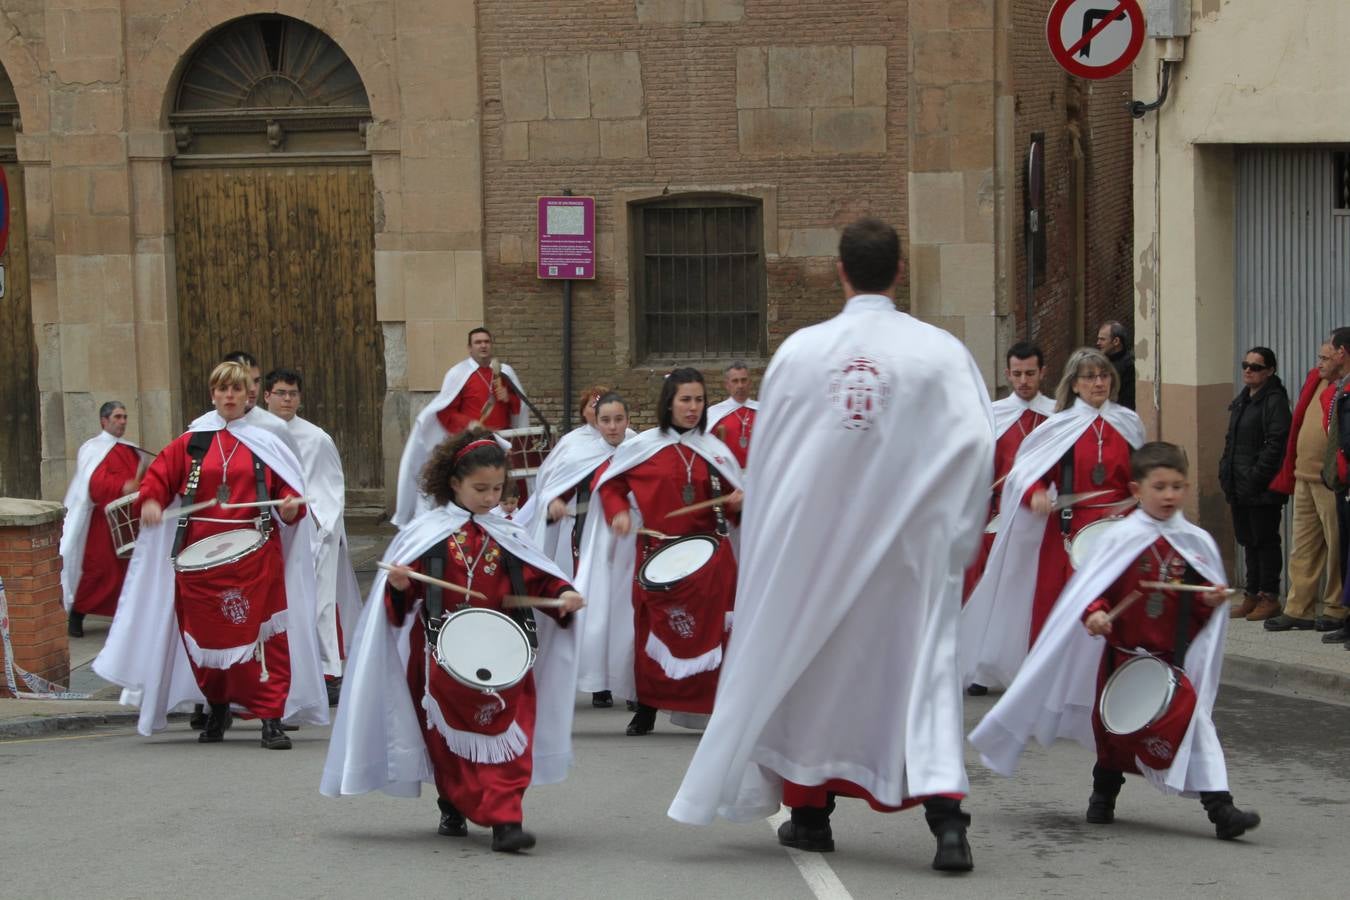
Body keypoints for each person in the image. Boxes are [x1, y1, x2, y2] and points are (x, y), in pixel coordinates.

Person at [667, 218, 990, 872]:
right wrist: (950, 532)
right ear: (899, 271)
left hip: (817, 554)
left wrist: (772, 551)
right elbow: (978, 444)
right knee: (917, 680)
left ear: (838, 272)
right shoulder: (940, 353)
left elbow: (773, 463)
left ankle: (811, 816)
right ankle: (947, 824)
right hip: (905, 559)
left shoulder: (800, 353)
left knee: (810, 674)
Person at [969, 442, 1261, 842]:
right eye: (1159, 487)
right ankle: (1103, 793)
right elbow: (1093, 587)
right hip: (1123, 655)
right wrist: (1095, 612)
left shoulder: (1195, 542)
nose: (1169, 495)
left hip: (1172, 660)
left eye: (1177, 486)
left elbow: (1200, 605)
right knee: (1115, 736)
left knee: (1197, 727)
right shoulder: (1120, 537)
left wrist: (1209, 601)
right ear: (1138, 490)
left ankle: (1221, 810)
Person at [320, 429, 584, 853]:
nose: (490, 497)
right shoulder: (429, 533)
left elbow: (540, 577)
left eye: (498, 488)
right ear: (454, 484)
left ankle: (506, 819)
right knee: (448, 744)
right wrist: (401, 586)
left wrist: (562, 596)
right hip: (441, 656)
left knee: (510, 735)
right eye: (480, 488)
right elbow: (399, 607)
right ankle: (453, 800)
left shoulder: (509, 534)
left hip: (506, 655)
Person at [93, 362, 328, 746]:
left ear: (248, 395)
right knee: (205, 640)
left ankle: (270, 716)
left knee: (266, 640)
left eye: (236, 389)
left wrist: (290, 507)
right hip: (198, 560)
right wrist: (151, 503)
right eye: (222, 390)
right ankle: (218, 706)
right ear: (213, 394)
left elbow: (290, 494)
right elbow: (158, 481)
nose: (230, 396)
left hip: (255, 556)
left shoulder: (266, 440)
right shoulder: (192, 442)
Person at [960, 347, 1145, 691]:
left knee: (1118, 607)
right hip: (1069, 533)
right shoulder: (1060, 427)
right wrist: (1036, 494)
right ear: (1075, 385)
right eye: (1089, 377)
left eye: (1104, 375)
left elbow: (1142, 474)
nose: (1098, 383)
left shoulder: (1128, 423)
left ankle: (1110, 679)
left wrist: (1142, 495)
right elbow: (1027, 476)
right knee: (1058, 611)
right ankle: (1055, 684)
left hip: (1119, 531)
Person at [574, 368, 743, 737]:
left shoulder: (714, 448)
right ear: (669, 402)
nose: (693, 407)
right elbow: (609, 482)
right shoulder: (642, 446)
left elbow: (733, 506)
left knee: (716, 634)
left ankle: (711, 711)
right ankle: (647, 707)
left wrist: (737, 501)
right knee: (651, 634)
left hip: (710, 559)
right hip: (657, 553)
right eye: (685, 399)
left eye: (699, 399)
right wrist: (618, 510)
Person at [515, 390, 634, 708]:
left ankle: (634, 684)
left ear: (627, 419)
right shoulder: (578, 447)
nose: (611, 426)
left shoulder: (638, 445)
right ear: (592, 417)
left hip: (631, 538)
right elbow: (557, 486)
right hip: (589, 535)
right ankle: (599, 683)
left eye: (617, 419)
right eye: (604, 419)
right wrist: (554, 502)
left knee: (628, 611)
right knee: (596, 608)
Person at [264, 368, 363, 705]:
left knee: (319, 604)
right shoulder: (256, 434)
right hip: (271, 529)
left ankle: (328, 671)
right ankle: (278, 671)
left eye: (292, 394)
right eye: (280, 393)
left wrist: (323, 528)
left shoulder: (316, 438)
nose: (287, 399)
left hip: (313, 532)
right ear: (266, 396)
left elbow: (331, 487)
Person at [393, 328, 531, 528]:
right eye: (478, 342)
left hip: (502, 441)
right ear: (470, 348)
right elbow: (445, 412)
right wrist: (469, 423)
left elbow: (520, 407)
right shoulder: (458, 373)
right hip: (472, 442)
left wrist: (508, 398)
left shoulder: (505, 372)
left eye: (486, 341)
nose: (483, 345)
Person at [1264, 337, 1347, 632]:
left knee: (1338, 547)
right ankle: (1299, 608)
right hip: (1303, 476)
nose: (1319, 363)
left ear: (1342, 355)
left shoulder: (1344, 387)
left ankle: (1337, 608)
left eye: (1325, 357)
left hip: (1331, 481)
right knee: (1303, 547)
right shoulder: (1317, 380)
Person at [963, 342, 1056, 605]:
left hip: (1044, 515)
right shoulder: (992, 416)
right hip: (1000, 516)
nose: (1023, 380)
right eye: (1017, 374)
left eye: (1030, 373)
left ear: (1042, 372)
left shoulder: (1057, 415)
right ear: (1007, 374)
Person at [59, 402, 150, 637]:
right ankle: (77, 615)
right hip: (103, 523)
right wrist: (122, 486)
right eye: (118, 417)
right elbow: (94, 484)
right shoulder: (93, 449)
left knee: (129, 572)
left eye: (125, 417)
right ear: (104, 421)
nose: (122, 421)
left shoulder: (132, 450)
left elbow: (146, 478)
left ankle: (126, 619)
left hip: (129, 521)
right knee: (98, 570)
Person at [1218, 347, 1291, 622]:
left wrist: (1256, 476)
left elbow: (1276, 445)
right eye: (1245, 364)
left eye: (1256, 367)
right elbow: (1231, 440)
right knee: (1247, 540)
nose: (1248, 370)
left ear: (1270, 371)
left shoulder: (1274, 401)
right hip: (1239, 485)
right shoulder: (1243, 400)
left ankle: (1269, 596)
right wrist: (1226, 472)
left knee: (1265, 540)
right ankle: (1251, 593)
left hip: (1262, 488)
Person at [1319, 328, 1350, 646]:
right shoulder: (1337, 387)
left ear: (1342, 352)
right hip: (1340, 482)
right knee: (1344, 552)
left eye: (1329, 351)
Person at [707, 362, 758, 469]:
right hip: (728, 475)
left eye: (744, 380)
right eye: (735, 381)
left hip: (758, 473)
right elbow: (708, 448)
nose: (740, 386)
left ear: (750, 382)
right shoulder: (713, 414)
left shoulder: (763, 411)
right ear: (727, 385)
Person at [1096, 321, 1136, 410]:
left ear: (1116, 341)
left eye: (1102, 339)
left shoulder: (1130, 365)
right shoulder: (1100, 362)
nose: (1098, 343)